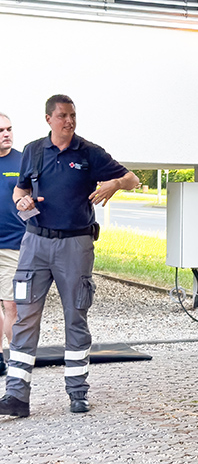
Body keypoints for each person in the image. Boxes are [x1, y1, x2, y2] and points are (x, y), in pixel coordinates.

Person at [0, 95, 139, 417]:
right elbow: (21, 190)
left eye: (73, 115)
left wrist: (114, 184)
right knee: (24, 317)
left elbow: (132, 179)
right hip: (34, 243)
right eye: (63, 116)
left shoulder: (90, 152)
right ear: (49, 118)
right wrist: (22, 202)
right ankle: (16, 397)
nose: (69, 121)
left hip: (75, 246)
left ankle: (78, 393)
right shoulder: (34, 151)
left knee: (76, 316)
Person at [0, 113, 25, 377]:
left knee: (12, 305)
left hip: (12, 245)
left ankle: (17, 361)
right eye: (0, 130)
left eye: (9, 129)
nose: (6, 133)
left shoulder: (22, 162)